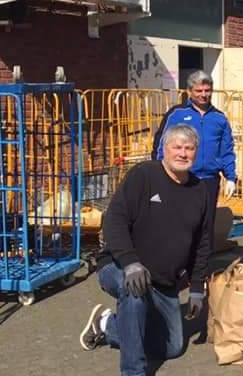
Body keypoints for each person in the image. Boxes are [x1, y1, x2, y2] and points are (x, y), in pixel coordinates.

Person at [81, 124, 213, 376]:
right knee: (134, 291)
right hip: (120, 267)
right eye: (177, 147)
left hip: (164, 282)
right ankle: (133, 371)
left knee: (173, 347)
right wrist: (130, 262)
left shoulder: (200, 191)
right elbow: (114, 220)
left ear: (196, 152)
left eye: (189, 148)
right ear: (165, 149)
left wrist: (196, 288)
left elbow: (202, 243)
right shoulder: (144, 175)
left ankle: (109, 325)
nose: (183, 154)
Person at [152, 70, 237, 203]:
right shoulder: (176, 114)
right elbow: (160, 146)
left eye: (207, 90)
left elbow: (226, 150)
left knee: (207, 222)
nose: (203, 95)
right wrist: (160, 174)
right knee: (180, 222)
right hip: (181, 177)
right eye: (199, 91)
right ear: (189, 91)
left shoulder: (220, 118)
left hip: (210, 180)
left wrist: (231, 178)